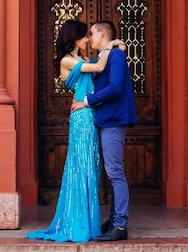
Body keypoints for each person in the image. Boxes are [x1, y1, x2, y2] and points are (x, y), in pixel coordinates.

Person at [26, 19, 118, 243]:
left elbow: (98, 70)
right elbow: (99, 68)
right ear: (74, 36)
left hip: (90, 114)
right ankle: (77, 223)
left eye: (90, 34)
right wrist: (112, 44)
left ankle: (87, 220)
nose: (88, 38)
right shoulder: (67, 61)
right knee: (82, 166)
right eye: (84, 35)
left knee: (91, 167)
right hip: (82, 117)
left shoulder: (82, 58)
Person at [71, 19, 137, 241]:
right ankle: (113, 220)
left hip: (114, 120)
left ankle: (120, 226)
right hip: (105, 120)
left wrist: (87, 101)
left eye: (91, 33)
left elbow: (115, 87)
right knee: (111, 173)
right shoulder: (106, 55)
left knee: (115, 173)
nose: (89, 38)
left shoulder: (116, 56)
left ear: (101, 33)